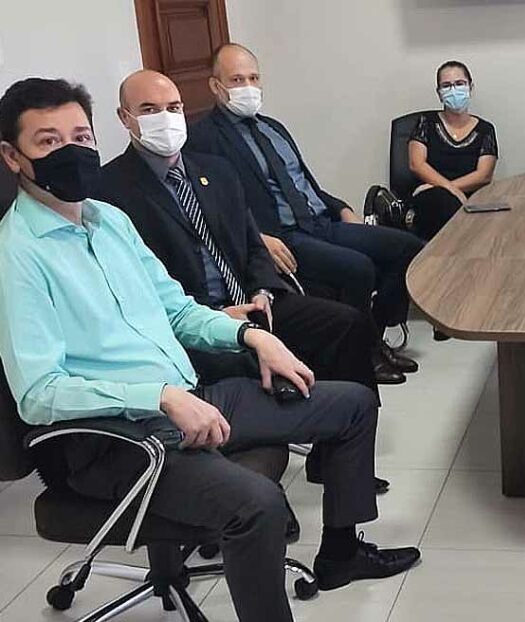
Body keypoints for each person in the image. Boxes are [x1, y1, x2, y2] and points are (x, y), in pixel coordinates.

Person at [0, 78, 420, 621]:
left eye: (80, 137)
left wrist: (252, 336)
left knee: (353, 405)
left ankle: (341, 554)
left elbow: (176, 310)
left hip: (189, 398)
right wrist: (161, 396)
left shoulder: (108, 221)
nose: (72, 151)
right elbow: (39, 394)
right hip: (116, 439)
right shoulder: (16, 255)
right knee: (258, 505)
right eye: (49, 142)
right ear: (12, 157)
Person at [96, 69, 397, 492]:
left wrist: (261, 289)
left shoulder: (215, 171)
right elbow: (137, 286)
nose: (165, 118)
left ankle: (337, 458)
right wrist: (214, 314)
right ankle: (256, 484)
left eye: (173, 107)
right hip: (194, 319)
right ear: (124, 117)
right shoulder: (108, 193)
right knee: (240, 363)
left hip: (254, 302)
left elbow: (253, 244)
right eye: (149, 109)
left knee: (348, 324)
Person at [186, 43, 424, 369]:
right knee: (358, 268)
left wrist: (341, 208)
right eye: (237, 80)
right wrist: (257, 237)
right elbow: (213, 206)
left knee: (409, 248)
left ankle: (374, 334)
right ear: (216, 86)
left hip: (320, 222)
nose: (248, 87)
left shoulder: (273, 128)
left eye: (253, 78)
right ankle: (365, 355)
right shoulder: (203, 139)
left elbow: (303, 183)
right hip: (282, 235)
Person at [407, 60, 498, 240]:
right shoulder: (426, 122)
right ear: (439, 93)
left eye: (459, 83)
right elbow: (416, 164)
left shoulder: (485, 129)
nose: (453, 90)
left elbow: (484, 175)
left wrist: (452, 189)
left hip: (471, 198)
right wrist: (450, 190)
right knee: (443, 203)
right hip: (430, 196)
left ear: (470, 87)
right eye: (446, 86)